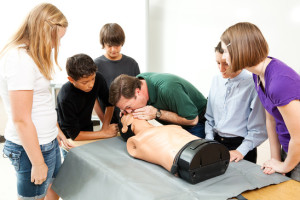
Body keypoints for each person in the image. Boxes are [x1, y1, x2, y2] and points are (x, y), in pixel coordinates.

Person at [0, 3, 72, 199]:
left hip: (46, 140)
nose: (56, 45)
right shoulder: (19, 59)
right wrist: (38, 163)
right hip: (33, 148)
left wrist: (54, 128)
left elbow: (41, 101)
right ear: (43, 31)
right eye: (55, 39)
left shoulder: (32, 56)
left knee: (55, 189)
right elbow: (21, 119)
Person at [220, 22, 300, 181]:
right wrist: (275, 160)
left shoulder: (279, 83)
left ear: (238, 50)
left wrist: (285, 166)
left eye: (225, 51)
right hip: (290, 149)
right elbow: (271, 119)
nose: (223, 57)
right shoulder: (258, 75)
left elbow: (299, 138)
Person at [205, 42, 267, 163]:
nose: (221, 69)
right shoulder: (216, 80)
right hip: (215, 142)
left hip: (241, 147)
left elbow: (259, 129)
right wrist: (209, 140)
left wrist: (241, 151)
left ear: (239, 60)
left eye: (226, 64)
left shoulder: (254, 85)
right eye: (218, 63)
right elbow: (209, 117)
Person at [109, 72, 207, 138]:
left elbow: (193, 120)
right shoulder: (138, 82)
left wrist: (157, 113)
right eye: (124, 109)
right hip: (177, 124)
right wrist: (125, 108)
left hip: (199, 121)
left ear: (137, 92)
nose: (129, 112)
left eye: (129, 107)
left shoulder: (168, 89)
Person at [56, 53, 118, 147]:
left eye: (92, 79)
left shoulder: (98, 78)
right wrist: (104, 134)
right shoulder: (65, 97)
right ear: (71, 79)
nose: (91, 85)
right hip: (69, 138)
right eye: (84, 82)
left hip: (87, 128)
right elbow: (75, 135)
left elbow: (109, 103)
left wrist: (105, 128)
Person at [94, 23, 140, 124]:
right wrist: (104, 122)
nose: (114, 50)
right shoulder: (96, 65)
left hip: (130, 118)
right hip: (107, 119)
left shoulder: (132, 64)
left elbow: (138, 94)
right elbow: (93, 98)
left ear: (122, 43)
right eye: (109, 46)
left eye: (117, 45)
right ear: (103, 43)